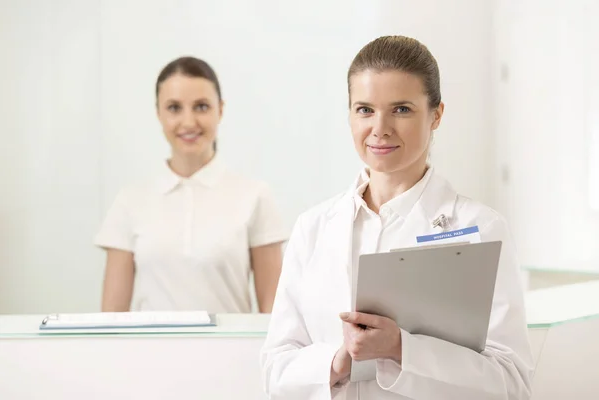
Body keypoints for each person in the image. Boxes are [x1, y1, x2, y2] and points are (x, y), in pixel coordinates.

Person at [260, 36, 533, 399]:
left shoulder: (480, 228)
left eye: (401, 109)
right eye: (364, 109)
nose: (380, 128)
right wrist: (339, 362)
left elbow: (511, 383)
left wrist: (400, 349)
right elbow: (274, 372)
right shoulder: (313, 228)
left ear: (436, 114)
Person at [95, 56, 288, 313]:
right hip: (148, 354)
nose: (188, 122)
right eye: (174, 108)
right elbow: (111, 319)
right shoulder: (130, 201)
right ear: (158, 113)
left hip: (230, 354)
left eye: (201, 106)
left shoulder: (254, 196)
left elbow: (273, 316)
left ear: (220, 110)